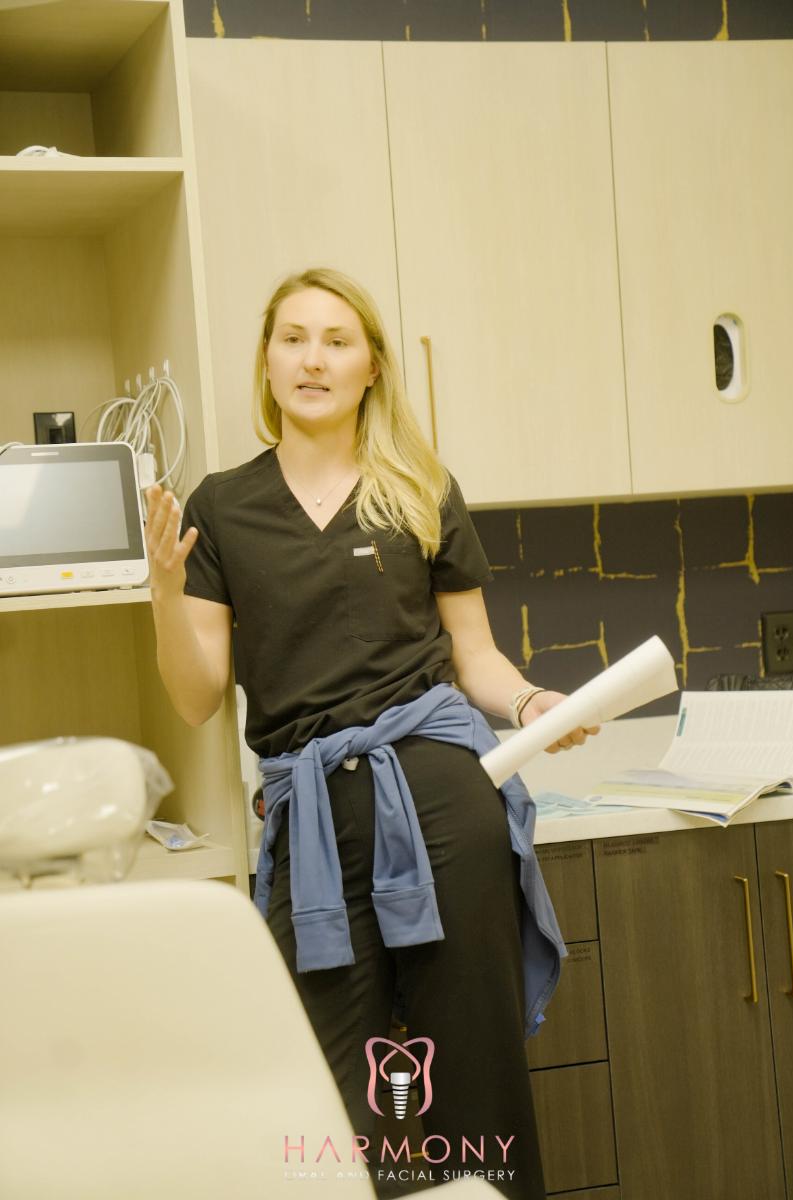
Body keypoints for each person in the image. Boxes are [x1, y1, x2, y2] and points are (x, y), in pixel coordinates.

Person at [145, 267, 598, 1199]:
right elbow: (196, 699)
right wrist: (161, 593)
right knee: (331, 1102)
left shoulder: (419, 488)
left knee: (472, 1069)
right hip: (312, 822)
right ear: (266, 361)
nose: (313, 359)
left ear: (372, 368)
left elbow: (473, 655)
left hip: (439, 798)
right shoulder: (222, 508)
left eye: (337, 340)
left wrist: (528, 706)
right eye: (293, 338)